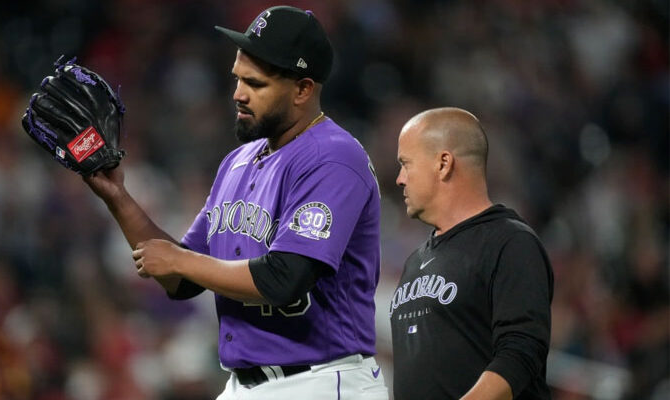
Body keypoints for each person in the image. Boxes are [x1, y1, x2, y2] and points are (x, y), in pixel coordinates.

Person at [84, 5, 388, 400]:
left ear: (302, 89)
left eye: (255, 84)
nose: (238, 94)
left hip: (322, 380)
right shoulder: (238, 162)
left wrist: (179, 261)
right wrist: (118, 198)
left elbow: (285, 279)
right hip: (242, 384)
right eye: (238, 79)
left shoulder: (332, 157)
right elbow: (182, 280)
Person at [390, 107, 553, 400]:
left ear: (443, 164)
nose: (400, 178)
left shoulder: (510, 242)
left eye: (406, 164)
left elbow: (521, 352)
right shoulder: (415, 261)